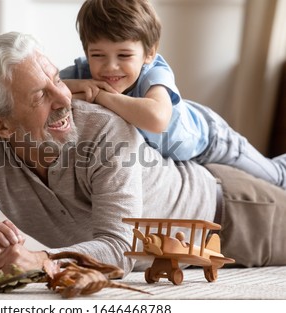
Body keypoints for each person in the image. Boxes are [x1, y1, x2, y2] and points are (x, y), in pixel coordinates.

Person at [0, 31, 286, 281]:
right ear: (0, 126)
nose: (65, 98)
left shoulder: (106, 131)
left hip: (235, 210)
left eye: (57, 79)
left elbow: (118, 247)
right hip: (174, 250)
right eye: (39, 96)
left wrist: (39, 262)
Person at [60, 0, 286, 189]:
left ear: (149, 53)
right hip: (179, 157)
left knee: (274, 177)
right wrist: (77, 84)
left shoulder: (154, 72)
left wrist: (100, 96)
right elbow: (42, 88)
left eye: (124, 55)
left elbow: (156, 119)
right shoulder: (84, 73)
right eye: (98, 54)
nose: (110, 66)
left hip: (211, 141)